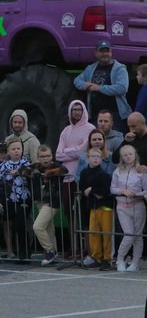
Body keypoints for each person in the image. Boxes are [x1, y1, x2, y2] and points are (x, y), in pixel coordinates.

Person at [55, 99, 95, 259]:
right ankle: (73, 247)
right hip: (67, 179)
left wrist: (68, 152)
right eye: (74, 109)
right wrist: (73, 152)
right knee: (69, 215)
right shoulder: (65, 131)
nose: (77, 112)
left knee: (83, 214)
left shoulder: (90, 129)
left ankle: (86, 248)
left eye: (79, 109)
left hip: (82, 178)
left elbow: (83, 151)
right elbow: (58, 154)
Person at [73, 40, 131, 132]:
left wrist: (99, 88)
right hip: (96, 116)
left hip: (115, 116)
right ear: (96, 53)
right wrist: (84, 85)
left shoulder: (119, 69)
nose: (105, 54)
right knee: (96, 141)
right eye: (101, 51)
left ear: (111, 52)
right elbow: (77, 80)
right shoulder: (91, 68)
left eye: (107, 51)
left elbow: (122, 88)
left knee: (116, 142)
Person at [110, 144, 147, 272]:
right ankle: (120, 259)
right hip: (122, 206)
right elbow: (112, 188)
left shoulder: (141, 171)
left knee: (138, 235)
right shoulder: (117, 171)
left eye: (130, 154)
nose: (128, 157)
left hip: (138, 206)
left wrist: (136, 194)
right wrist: (123, 191)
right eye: (125, 155)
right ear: (121, 157)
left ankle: (135, 262)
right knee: (128, 235)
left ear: (135, 155)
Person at [26, 145, 66, 266]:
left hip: (52, 202)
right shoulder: (36, 166)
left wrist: (48, 173)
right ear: (38, 157)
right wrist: (34, 173)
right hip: (40, 201)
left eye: (48, 156)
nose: (45, 159)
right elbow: (23, 170)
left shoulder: (56, 166)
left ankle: (49, 251)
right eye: (42, 156)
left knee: (37, 226)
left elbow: (64, 170)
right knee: (49, 228)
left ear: (52, 156)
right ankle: (55, 251)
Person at [78, 148, 115, 270]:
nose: (95, 159)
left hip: (105, 207)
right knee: (93, 232)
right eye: (93, 156)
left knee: (106, 233)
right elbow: (83, 188)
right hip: (92, 206)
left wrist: (92, 191)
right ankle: (96, 257)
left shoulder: (104, 175)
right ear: (88, 158)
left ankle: (107, 258)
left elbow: (104, 191)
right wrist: (89, 192)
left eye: (98, 157)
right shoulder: (84, 173)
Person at [0, 140, 32, 262]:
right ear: (8, 152)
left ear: (22, 150)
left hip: (23, 199)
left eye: (18, 148)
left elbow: (31, 173)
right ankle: (11, 252)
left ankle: (24, 253)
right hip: (8, 199)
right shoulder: (3, 166)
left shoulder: (26, 163)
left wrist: (19, 172)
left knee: (20, 224)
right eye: (13, 149)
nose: (16, 151)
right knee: (8, 224)